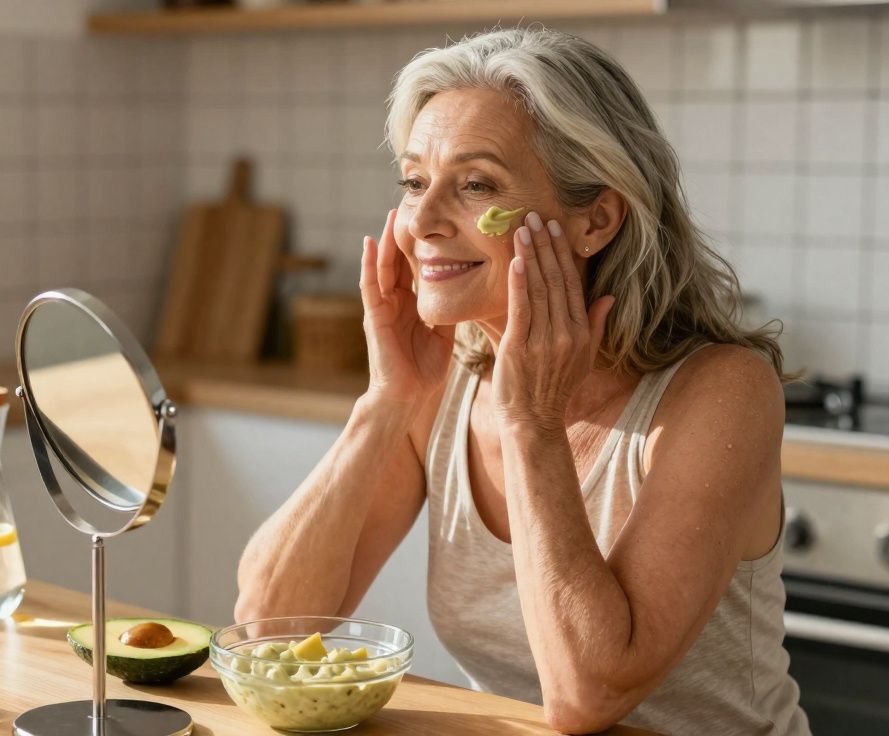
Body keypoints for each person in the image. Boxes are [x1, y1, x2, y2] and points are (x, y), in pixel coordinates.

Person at [234, 27, 809, 736]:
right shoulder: (441, 383)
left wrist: (533, 423)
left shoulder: (724, 395)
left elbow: (588, 695)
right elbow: (268, 629)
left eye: (476, 185)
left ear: (595, 219)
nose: (422, 222)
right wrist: (388, 399)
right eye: (414, 182)